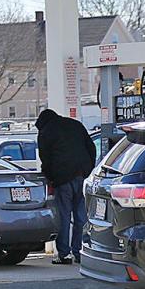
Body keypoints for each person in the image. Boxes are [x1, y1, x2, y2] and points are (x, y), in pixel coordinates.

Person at [36, 109, 97, 265]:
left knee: (63, 216)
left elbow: (46, 158)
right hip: (82, 176)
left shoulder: (46, 132)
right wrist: (88, 170)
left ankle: (64, 254)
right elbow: (91, 148)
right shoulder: (75, 125)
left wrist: (51, 177)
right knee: (81, 216)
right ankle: (80, 251)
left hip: (63, 179)